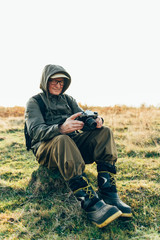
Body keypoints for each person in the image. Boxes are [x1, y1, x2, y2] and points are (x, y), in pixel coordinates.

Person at [25, 64, 132, 228]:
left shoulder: (68, 100)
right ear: (45, 81)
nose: (58, 85)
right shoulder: (34, 102)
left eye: (61, 82)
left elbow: (83, 117)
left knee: (104, 132)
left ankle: (109, 193)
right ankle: (90, 204)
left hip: (72, 144)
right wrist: (60, 128)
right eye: (54, 80)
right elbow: (35, 131)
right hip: (46, 149)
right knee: (62, 138)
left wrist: (95, 121)